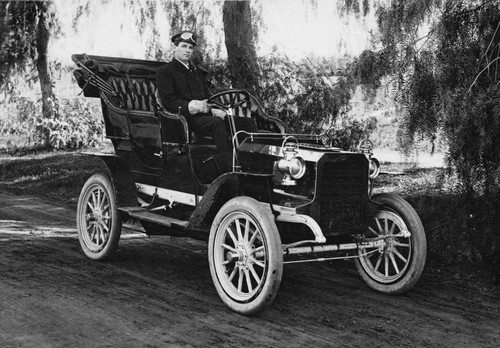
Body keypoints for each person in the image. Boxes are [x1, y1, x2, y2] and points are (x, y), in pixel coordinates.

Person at [156, 30, 257, 171]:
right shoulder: (165, 71)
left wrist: (215, 109)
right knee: (217, 123)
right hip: (186, 118)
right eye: (184, 46)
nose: (187, 51)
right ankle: (227, 169)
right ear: (175, 47)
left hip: (205, 116)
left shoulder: (197, 72)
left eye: (190, 48)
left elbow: (208, 97)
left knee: (245, 123)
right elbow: (169, 101)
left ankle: (250, 165)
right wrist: (195, 106)